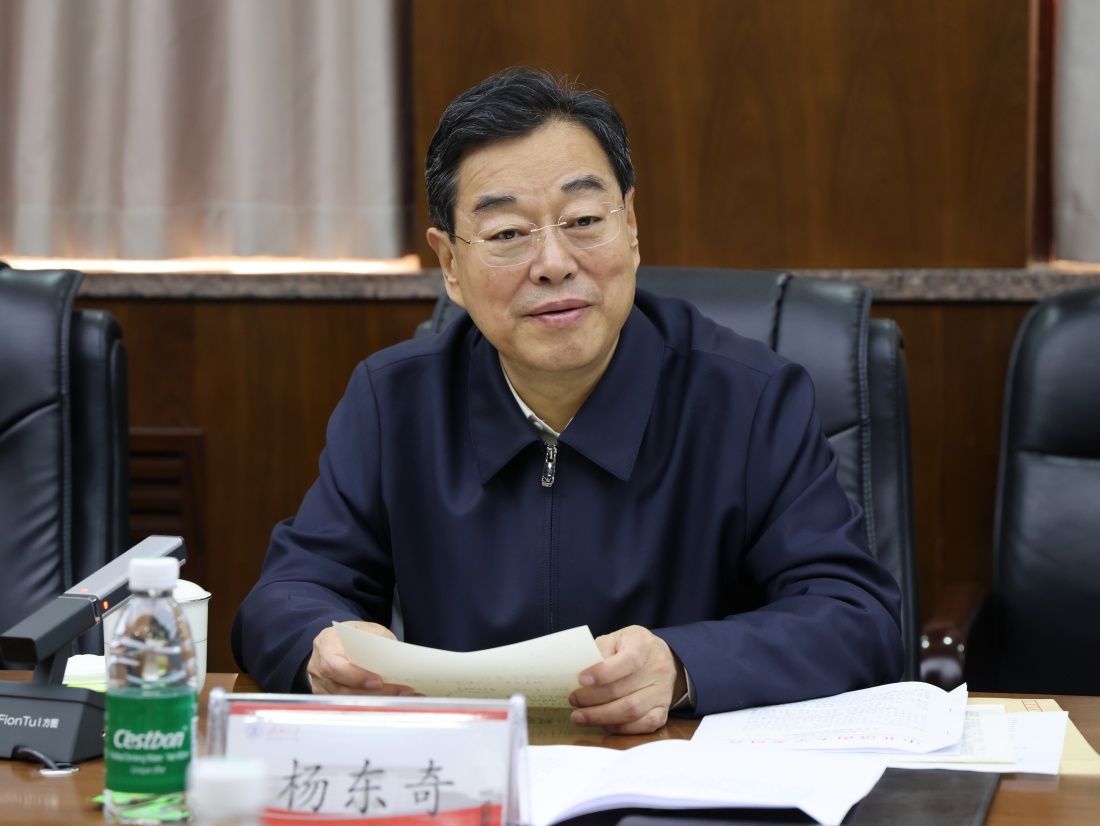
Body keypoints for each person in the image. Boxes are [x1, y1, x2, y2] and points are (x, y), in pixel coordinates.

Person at [233, 67, 903, 734]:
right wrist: (322, 646)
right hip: (474, 772)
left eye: (583, 220)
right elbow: (287, 594)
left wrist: (682, 667)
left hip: (670, 774)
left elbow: (856, 616)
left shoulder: (750, 399)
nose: (554, 262)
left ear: (630, 227)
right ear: (450, 266)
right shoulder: (395, 403)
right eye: (507, 234)